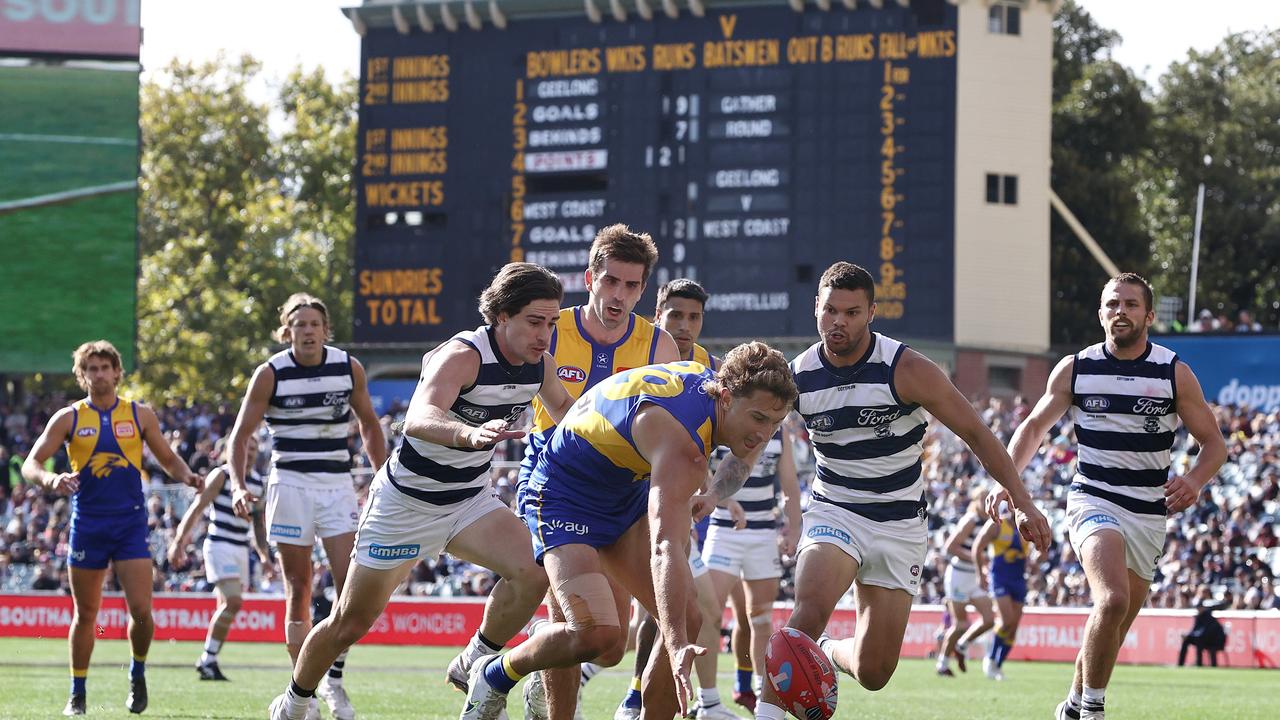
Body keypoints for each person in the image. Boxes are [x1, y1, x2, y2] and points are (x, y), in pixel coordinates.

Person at [269, 263, 575, 720]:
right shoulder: (463, 355)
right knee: (349, 622)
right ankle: (294, 701)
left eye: (551, 323)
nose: (544, 334)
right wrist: (467, 435)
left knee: (534, 573)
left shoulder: (539, 365)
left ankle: (474, 658)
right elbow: (418, 417)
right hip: (405, 505)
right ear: (502, 316)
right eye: (535, 321)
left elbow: (568, 414)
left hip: (468, 500)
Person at [752, 262, 1052, 720]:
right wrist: (713, 492)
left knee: (874, 671)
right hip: (836, 510)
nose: (839, 321)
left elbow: (975, 431)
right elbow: (748, 435)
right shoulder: (797, 378)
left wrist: (1023, 500)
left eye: (851, 312)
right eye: (830, 310)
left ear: (871, 312)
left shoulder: (907, 368)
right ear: (815, 308)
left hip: (899, 524)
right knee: (806, 614)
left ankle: (828, 652)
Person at [458, 343, 798, 720]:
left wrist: (715, 493)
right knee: (599, 634)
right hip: (562, 491)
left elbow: (745, 445)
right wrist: (678, 643)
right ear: (728, 398)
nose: (765, 434)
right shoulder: (684, 446)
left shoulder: (719, 388)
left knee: (684, 619)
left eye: (775, 423)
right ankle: (494, 674)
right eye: (758, 419)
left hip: (620, 488)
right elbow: (664, 547)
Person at [1003, 272, 1226, 720]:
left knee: (1115, 623)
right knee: (1112, 600)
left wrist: (1196, 479)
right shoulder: (1077, 367)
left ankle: (1070, 704)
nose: (1119, 311)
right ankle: (1092, 710)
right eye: (1111, 304)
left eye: (1129, 304)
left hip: (1149, 510)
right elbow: (1032, 430)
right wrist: (1004, 482)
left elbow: (1215, 445)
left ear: (1147, 314)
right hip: (1093, 498)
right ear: (1101, 313)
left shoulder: (1172, 371)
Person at [505, 225, 679, 720]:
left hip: (622, 492)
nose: (618, 295)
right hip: (556, 485)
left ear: (643, 290)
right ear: (590, 278)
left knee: (609, 646)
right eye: (610, 281)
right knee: (576, 620)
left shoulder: (658, 348)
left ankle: (539, 653)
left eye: (631, 286)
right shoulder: (550, 329)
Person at [227, 293, 388, 720]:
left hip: (335, 484)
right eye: (299, 323)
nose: (308, 329)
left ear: (325, 329)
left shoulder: (347, 367)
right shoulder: (271, 373)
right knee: (298, 589)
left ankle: (332, 680)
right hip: (290, 485)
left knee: (348, 588)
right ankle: (304, 694)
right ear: (287, 331)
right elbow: (240, 436)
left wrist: (383, 475)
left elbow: (369, 423)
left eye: (315, 322)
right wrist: (239, 485)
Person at [22, 340, 203, 716]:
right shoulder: (68, 418)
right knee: (86, 614)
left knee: (141, 610)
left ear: (118, 372)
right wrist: (50, 480)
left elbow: (167, 458)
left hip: (130, 524)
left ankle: (137, 673)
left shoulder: (140, 415)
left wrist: (188, 476)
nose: (100, 374)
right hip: (87, 524)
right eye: (92, 368)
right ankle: (78, 692)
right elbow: (31, 463)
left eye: (106, 367)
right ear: (82, 375)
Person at [613, 278, 745, 720]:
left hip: (677, 501)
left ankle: (652, 699)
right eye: (676, 316)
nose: (685, 326)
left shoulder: (716, 371)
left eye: (694, 317)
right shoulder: (640, 358)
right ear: (658, 316)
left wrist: (717, 493)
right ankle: (656, 698)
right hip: (627, 495)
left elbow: (705, 443)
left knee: (672, 606)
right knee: (626, 622)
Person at [167, 438, 271, 681]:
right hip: (219, 544)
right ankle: (206, 658)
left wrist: (264, 556)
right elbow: (197, 508)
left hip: (240, 547)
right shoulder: (222, 475)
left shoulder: (257, 482)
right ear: (232, 451)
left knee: (225, 608)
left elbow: (258, 524)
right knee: (234, 602)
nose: (252, 454)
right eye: (247, 448)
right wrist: (179, 541)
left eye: (254, 449)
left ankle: (210, 662)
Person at [935, 497, 996, 677]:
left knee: (989, 619)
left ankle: (962, 645)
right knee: (960, 623)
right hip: (959, 576)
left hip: (974, 576)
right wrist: (976, 558)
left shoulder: (990, 522)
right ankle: (942, 664)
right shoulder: (971, 520)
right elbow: (950, 547)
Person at [972, 509, 1026, 680]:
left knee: (1013, 627)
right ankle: (990, 658)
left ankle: (998, 665)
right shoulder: (997, 525)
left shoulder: (1027, 525)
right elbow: (977, 548)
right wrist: (980, 574)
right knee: (1006, 620)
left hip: (1018, 579)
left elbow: (1038, 551)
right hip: (999, 579)